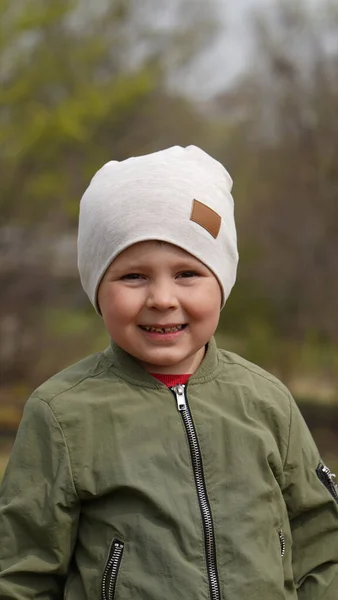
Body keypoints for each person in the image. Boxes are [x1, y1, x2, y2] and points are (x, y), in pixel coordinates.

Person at [0, 145, 337, 600]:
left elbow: (320, 546)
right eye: (134, 276)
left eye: (187, 273)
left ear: (222, 282)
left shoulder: (267, 400)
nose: (161, 297)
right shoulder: (62, 414)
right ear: (97, 288)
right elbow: (22, 572)